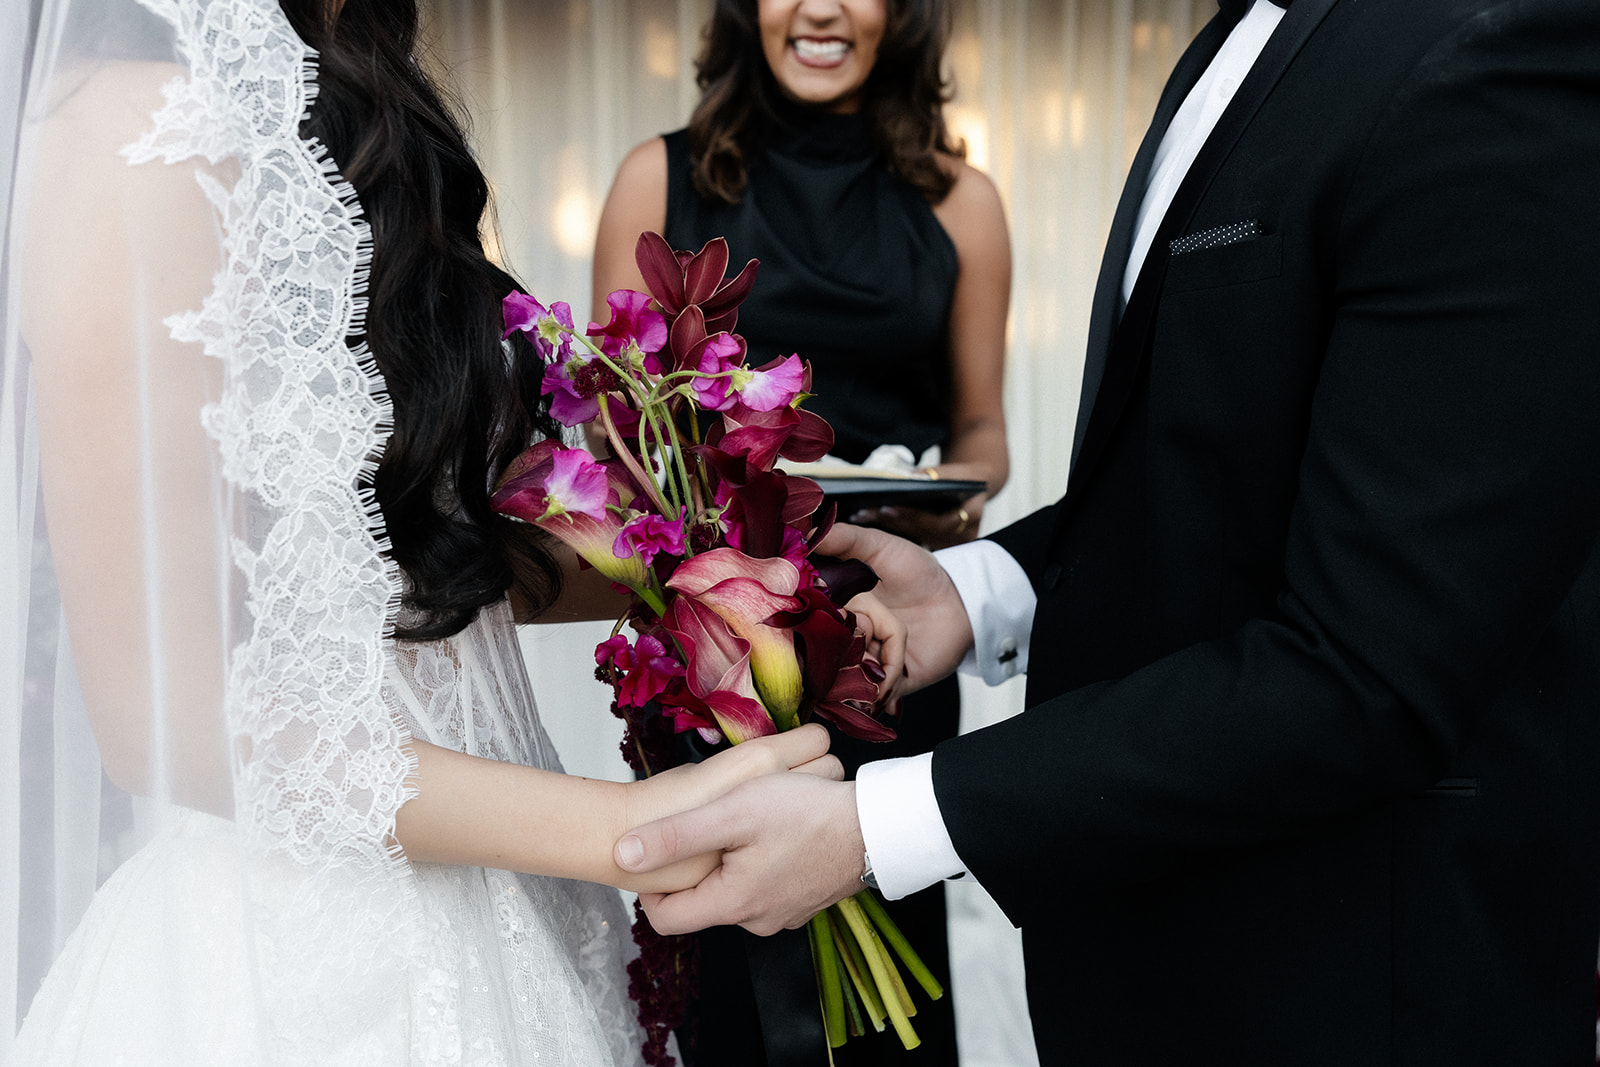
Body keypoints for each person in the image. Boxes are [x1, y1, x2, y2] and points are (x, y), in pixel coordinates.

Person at [611, 0, 1600, 1064]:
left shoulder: (1483, 49)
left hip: (1339, 981)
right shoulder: (1237, 49)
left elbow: (1375, 656)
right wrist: (982, 586)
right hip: (1133, 921)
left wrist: (875, 828)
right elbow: (1222, 483)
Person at [0, 0, 855, 1063]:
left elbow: (401, 568)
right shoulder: (125, 134)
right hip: (307, 961)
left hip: (511, 894)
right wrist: (629, 834)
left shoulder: (348, 96)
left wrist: (729, 574)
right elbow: (163, 717)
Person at [591, 0, 1009, 1062]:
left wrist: (948, 507)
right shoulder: (657, 178)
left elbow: (979, 431)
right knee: (729, 980)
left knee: (891, 994)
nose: (820, 7)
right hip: (713, 642)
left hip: (886, 638)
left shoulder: (963, 204)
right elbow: (613, 427)